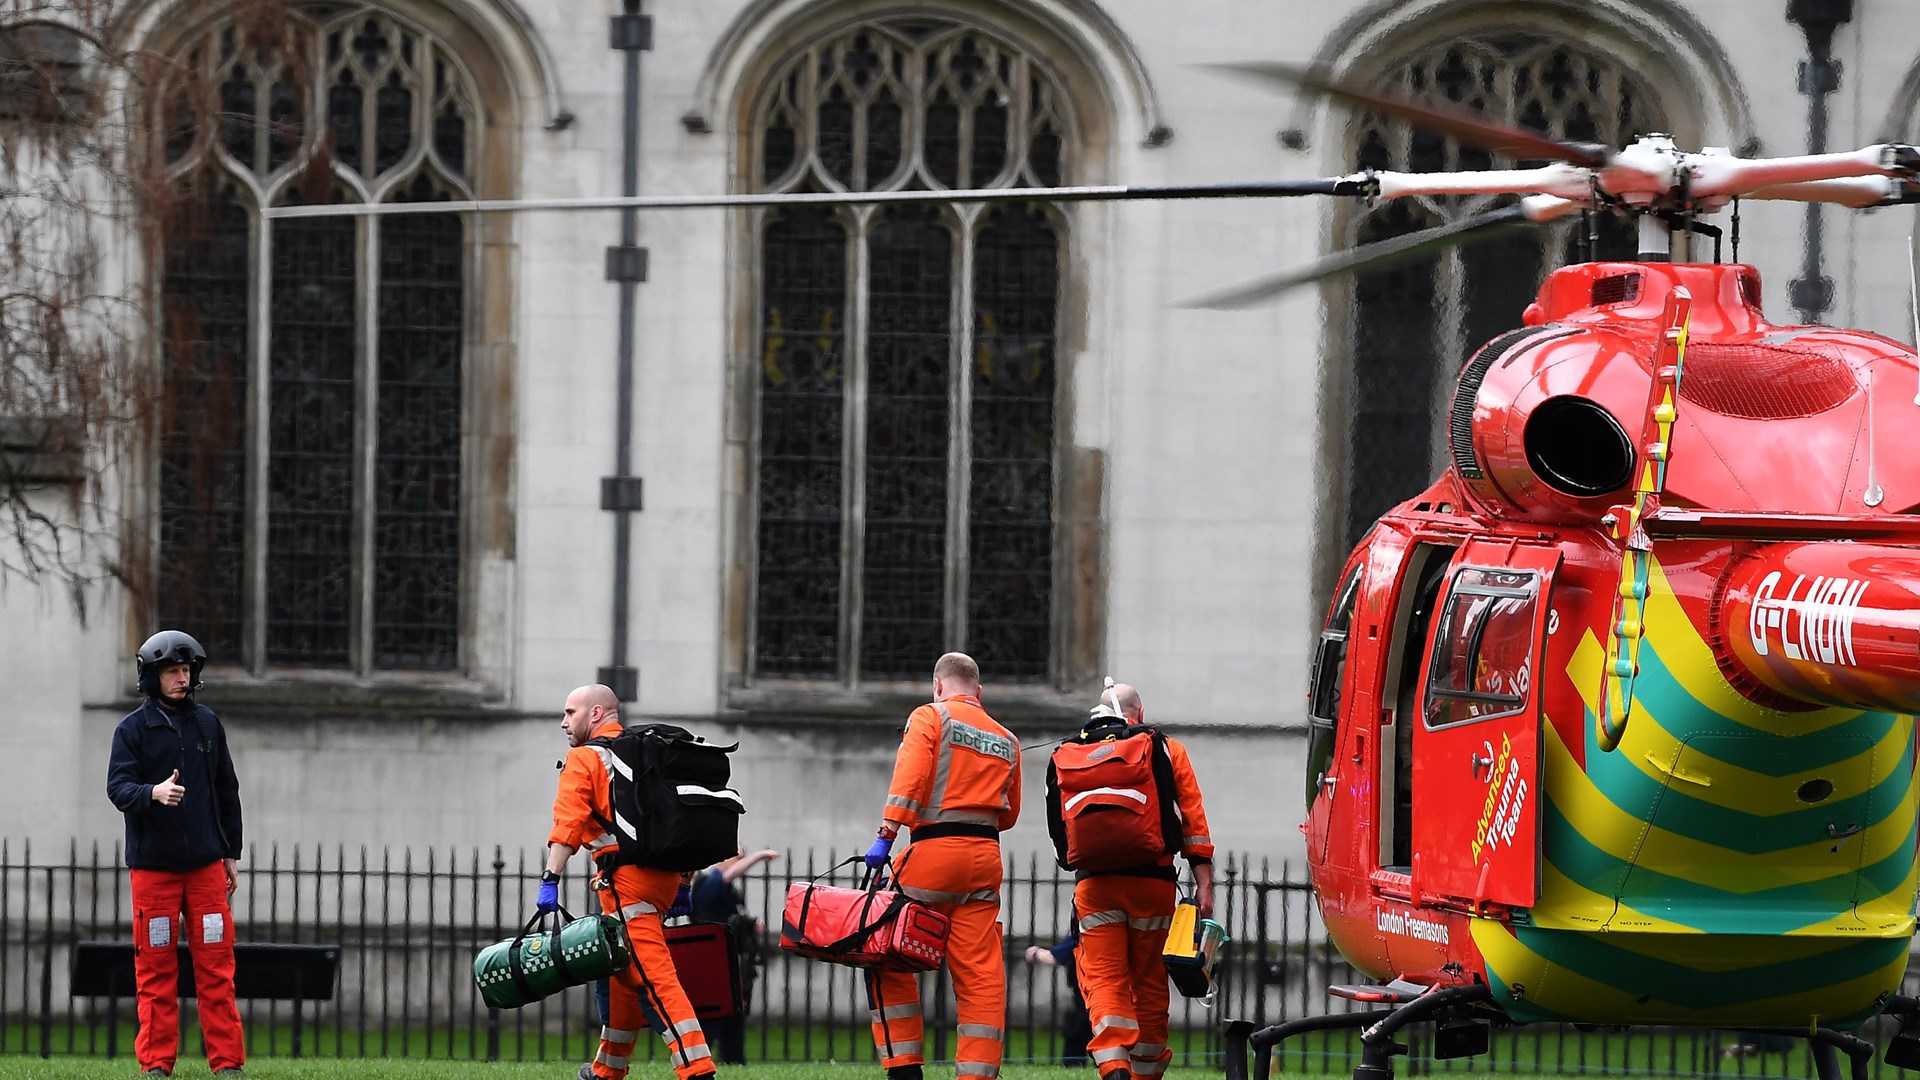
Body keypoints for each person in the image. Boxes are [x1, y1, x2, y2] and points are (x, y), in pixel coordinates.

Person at [861, 652, 1021, 1080]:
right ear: (979, 692)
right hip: (985, 860)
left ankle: (905, 1068)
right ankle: (977, 1072)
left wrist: (885, 836)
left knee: (886, 954)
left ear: (938, 686)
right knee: (981, 975)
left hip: (933, 852)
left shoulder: (930, 716)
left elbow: (910, 778)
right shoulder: (1007, 738)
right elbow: (1009, 815)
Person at [544, 684, 715, 1080]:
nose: (564, 722)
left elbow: (567, 825)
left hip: (626, 883)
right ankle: (607, 1070)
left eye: (571, 712)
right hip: (663, 878)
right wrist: (684, 884)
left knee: (655, 977)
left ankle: (698, 1069)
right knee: (622, 969)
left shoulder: (586, 758)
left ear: (597, 713)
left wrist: (550, 878)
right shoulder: (648, 753)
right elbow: (681, 821)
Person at [105, 630, 246, 1078]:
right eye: (172, 672)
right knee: (156, 972)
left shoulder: (208, 724)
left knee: (217, 970)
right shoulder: (131, 731)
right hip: (155, 874)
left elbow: (228, 791)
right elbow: (118, 788)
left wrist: (231, 853)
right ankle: (156, 1064)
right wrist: (153, 793)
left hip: (205, 870)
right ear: (152, 677)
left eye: (186, 670)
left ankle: (227, 1064)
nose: (182, 678)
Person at [1071, 682, 1213, 1080]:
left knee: (1103, 977)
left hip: (1096, 885)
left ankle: (1114, 1063)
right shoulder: (1166, 748)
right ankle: (1146, 1073)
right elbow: (1193, 823)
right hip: (1153, 885)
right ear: (1141, 712)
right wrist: (1204, 883)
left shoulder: (1076, 749)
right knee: (1149, 980)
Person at [688, 845, 779, 1064]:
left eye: (742, 858)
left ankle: (733, 1060)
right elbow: (727, 876)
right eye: (736, 858)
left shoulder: (729, 890)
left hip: (729, 962)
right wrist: (758, 856)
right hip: (710, 963)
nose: (740, 863)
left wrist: (751, 923)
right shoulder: (709, 883)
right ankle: (698, 1061)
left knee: (733, 1016)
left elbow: (734, 918)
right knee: (711, 1017)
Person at [1023, 931, 1092, 1066]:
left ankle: (1074, 1065)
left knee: (1077, 1031)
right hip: (1112, 990)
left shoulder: (1083, 926)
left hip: (1086, 992)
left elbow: (1054, 957)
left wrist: (1035, 953)